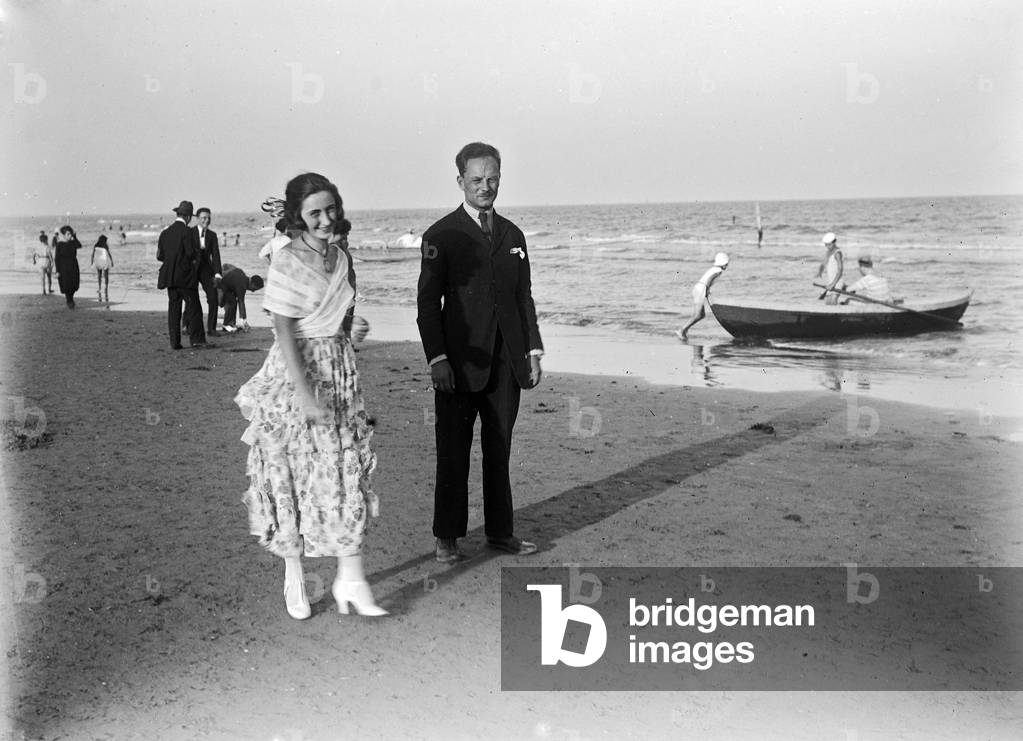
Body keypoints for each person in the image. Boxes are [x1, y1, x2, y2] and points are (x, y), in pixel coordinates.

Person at [235, 172, 385, 620]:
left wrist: (349, 330)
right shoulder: (286, 261)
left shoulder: (341, 258)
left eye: (330, 209)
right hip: (298, 374)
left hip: (339, 371)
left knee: (340, 471)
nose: (325, 219)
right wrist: (303, 393)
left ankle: (349, 579)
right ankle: (294, 575)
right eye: (314, 212)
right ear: (298, 217)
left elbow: (337, 319)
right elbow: (283, 331)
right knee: (292, 472)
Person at [417, 141, 544, 564]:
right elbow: (426, 305)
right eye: (476, 180)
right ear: (460, 182)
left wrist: (533, 350)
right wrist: (437, 359)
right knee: (453, 452)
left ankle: (500, 533)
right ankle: (447, 537)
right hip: (457, 364)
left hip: (507, 363)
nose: (485, 187)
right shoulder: (441, 235)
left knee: (499, 448)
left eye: (492, 179)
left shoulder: (513, 235)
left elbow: (523, 297)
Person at [157, 200, 209, 349]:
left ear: (178, 214)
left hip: (169, 277)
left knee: (174, 309)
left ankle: (175, 342)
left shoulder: (165, 233)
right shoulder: (188, 232)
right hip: (185, 277)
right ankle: (197, 340)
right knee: (194, 308)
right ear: (187, 217)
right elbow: (191, 253)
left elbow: (160, 256)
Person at [676, 252, 728, 339]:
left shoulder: (714, 268)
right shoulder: (718, 271)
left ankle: (684, 330)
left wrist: (707, 290)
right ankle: (682, 330)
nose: (727, 265)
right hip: (701, 289)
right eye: (726, 264)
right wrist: (707, 290)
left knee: (701, 315)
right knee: (697, 315)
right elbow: (709, 280)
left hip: (699, 288)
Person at [192, 207, 223, 336]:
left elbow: (215, 255)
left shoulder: (212, 235)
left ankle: (211, 328)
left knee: (213, 298)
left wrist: (217, 273)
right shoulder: (190, 233)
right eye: (204, 218)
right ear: (197, 219)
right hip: (192, 269)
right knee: (191, 298)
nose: (207, 220)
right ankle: (186, 325)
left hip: (206, 269)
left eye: (209, 218)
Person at [218, 263, 263, 332]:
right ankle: (227, 325)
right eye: (254, 289)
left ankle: (230, 324)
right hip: (218, 287)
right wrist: (243, 321)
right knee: (232, 302)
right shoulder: (242, 284)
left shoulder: (242, 276)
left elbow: (226, 265)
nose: (253, 291)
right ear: (252, 283)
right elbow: (241, 302)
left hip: (224, 287)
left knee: (232, 301)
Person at [53, 226, 82, 309]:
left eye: (70, 234)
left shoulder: (73, 243)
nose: (70, 236)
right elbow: (57, 258)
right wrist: (57, 271)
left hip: (73, 266)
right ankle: (69, 300)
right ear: (64, 235)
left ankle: (70, 298)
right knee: (66, 285)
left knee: (73, 284)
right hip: (63, 268)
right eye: (68, 234)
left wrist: (75, 237)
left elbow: (79, 245)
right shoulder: (59, 244)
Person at [816, 232, 844, 305]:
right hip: (830, 282)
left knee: (833, 302)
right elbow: (824, 262)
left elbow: (840, 270)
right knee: (828, 303)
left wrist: (833, 284)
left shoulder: (837, 253)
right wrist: (820, 271)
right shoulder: (828, 252)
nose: (827, 246)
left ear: (834, 242)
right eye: (826, 244)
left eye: (829, 244)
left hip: (837, 282)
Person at [91, 234, 114, 302]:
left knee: (99, 275)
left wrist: (92, 261)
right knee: (106, 275)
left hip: (98, 261)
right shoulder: (105, 245)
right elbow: (109, 254)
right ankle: (106, 288)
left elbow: (93, 254)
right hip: (105, 261)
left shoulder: (96, 245)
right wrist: (112, 261)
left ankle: (99, 287)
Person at [33, 230, 54, 295]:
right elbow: (50, 255)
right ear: (46, 240)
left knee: (42, 278)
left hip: (40, 262)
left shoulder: (38, 247)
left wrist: (34, 261)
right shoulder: (47, 247)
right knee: (49, 277)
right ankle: (49, 289)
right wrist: (52, 262)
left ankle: (43, 290)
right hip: (47, 261)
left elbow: (34, 254)